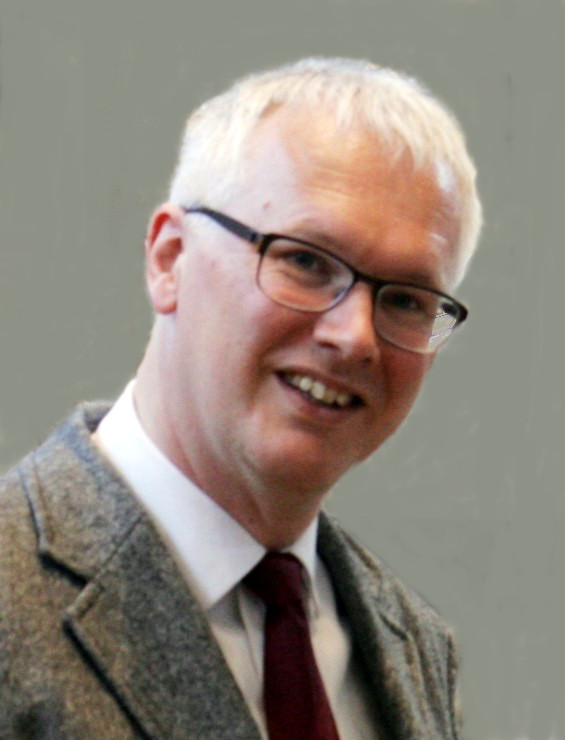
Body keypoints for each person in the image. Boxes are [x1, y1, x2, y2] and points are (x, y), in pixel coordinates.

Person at [0, 57, 482, 739]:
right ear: (170, 258)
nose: (354, 337)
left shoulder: (417, 648)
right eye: (305, 260)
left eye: (407, 300)